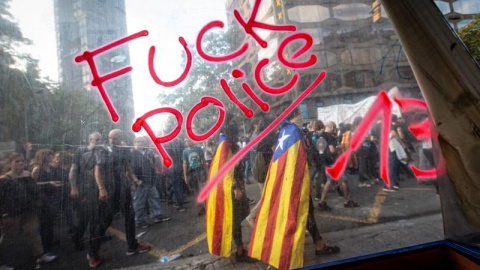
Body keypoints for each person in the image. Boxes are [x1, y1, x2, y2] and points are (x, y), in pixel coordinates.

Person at [249, 108, 339, 270]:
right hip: (291, 182)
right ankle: (279, 253)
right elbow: (302, 157)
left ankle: (318, 244)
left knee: (304, 211)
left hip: (287, 180)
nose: (301, 117)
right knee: (288, 215)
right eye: (298, 114)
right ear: (294, 117)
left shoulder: (284, 131)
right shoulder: (291, 132)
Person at [206, 114, 256, 263]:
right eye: (233, 122)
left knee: (237, 219)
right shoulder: (225, 143)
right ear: (227, 125)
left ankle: (240, 249)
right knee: (235, 220)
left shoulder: (223, 141)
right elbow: (225, 168)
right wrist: (235, 187)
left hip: (231, 186)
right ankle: (240, 251)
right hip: (230, 189)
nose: (236, 125)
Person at [97, 129, 151, 256]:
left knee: (130, 217)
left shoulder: (123, 150)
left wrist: (132, 183)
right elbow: (97, 170)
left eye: (116, 137)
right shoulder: (104, 150)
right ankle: (93, 251)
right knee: (106, 219)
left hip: (123, 188)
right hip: (110, 189)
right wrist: (101, 188)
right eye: (111, 137)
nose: (113, 140)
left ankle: (132, 247)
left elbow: (128, 169)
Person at [0, 153, 57, 269]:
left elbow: (34, 190)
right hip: (13, 213)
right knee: (9, 238)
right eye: (17, 161)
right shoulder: (4, 179)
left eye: (22, 161)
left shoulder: (27, 175)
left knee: (34, 233)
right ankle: (2, 263)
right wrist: (4, 214)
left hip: (29, 210)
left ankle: (40, 256)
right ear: (10, 163)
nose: (21, 163)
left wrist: (37, 203)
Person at [69, 132, 108, 267]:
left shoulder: (101, 151)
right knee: (88, 219)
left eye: (100, 139)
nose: (98, 141)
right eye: (96, 139)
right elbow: (73, 170)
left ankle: (87, 243)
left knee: (96, 218)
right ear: (90, 140)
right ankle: (84, 245)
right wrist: (74, 187)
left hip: (97, 188)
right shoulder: (80, 151)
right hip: (86, 189)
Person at [318, 121, 360, 210]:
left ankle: (322, 202)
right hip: (334, 162)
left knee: (329, 181)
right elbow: (332, 150)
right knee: (344, 180)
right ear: (332, 127)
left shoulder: (321, 136)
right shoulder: (329, 136)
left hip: (326, 162)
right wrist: (339, 148)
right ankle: (347, 201)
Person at [130, 137, 171, 228]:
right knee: (139, 201)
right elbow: (130, 169)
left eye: (142, 141)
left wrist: (152, 163)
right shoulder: (133, 154)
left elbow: (153, 166)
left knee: (154, 198)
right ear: (134, 143)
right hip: (141, 181)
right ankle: (139, 220)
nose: (141, 143)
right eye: (139, 141)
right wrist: (136, 180)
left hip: (150, 180)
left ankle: (157, 215)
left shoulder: (148, 153)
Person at [31, 149, 62, 258]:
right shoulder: (37, 168)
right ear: (43, 156)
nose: (51, 156)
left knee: (50, 222)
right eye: (49, 155)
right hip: (43, 199)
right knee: (44, 224)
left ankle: (48, 244)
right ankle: (44, 249)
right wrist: (49, 183)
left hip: (52, 197)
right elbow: (32, 184)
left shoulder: (49, 167)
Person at [51, 151, 74, 234]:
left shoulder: (69, 168)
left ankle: (71, 226)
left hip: (66, 192)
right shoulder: (55, 168)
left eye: (58, 157)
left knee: (68, 210)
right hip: (58, 192)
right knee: (56, 211)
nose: (56, 159)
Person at [182, 138, 207, 216]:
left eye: (189, 140)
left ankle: (207, 206)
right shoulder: (185, 152)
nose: (187, 142)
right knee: (196, 191)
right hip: (192, 173)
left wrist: (206, 172)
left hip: (200, 171)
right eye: (186, 141)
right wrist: (185, 176)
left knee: (203, 189)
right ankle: (201, 208)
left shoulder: (198, 149)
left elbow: (203, 160)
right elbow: (185, 163)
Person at [165, 137, 186, 211]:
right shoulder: (180, 143)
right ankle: (179, 201)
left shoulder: (167, 145)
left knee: (176, 186)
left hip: (172, 167)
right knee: (178, 185)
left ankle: (180, 204)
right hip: (179, 165)